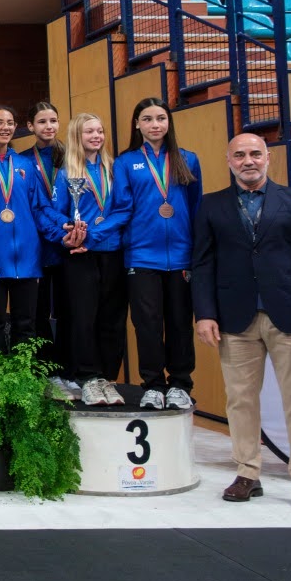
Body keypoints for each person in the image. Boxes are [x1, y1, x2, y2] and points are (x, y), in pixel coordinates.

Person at [192, 133, 291, 514]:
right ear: (229, 161)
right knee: (240, 400)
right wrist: (205, 314)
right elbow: (202, 264)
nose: (248, 161)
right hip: (235, 320)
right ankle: (247, 473)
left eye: (255, 153)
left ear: (268, 158)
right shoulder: (211, 205)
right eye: (240, 155)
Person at [88, 97, 202, 411]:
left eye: (161, 118)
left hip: (181, 256)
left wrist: (197, 252)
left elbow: (195, 207)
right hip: (140, 256)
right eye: (148, 119)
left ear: (169, 122)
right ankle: (153, 384)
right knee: (147, 323)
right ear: (137, 124)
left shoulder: (188, 159)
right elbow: (121, 209)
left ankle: (180, 383)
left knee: (180, 322)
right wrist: (91, 235)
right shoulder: (126, 162)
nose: (155, 125)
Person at [0, 105, 75, 352]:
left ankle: (24, 375)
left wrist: (62, 233)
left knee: (26, 326)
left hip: (27, 259)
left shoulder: (25, 164)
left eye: (10, 123)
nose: (6, 127)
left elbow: (38, 209)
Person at [55, 113, 127, 407]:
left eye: (100, 131)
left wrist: (92, 235)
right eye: (90, 132)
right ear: (77, 136)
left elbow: (124, 210)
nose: (97, 136)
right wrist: (71, 234)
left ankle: (108, 377)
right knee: (84, 317)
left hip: (111, 251)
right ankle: (88, 377)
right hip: (79, 255)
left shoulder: (115, 170)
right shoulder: (66, 174)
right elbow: (58, 213)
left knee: (112, 318)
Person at [26, 102, 72, 395]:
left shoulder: (72, 157)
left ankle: (68, 370)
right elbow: (30, 206)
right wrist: (59, 232)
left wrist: (70, 232)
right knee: (38, 312)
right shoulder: (22, 161)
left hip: (70, 244)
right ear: (31, 126)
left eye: (53, 120)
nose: (49, 126)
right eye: (42, 121)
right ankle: (46, 371)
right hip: (39, 246)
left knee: (69, 310)